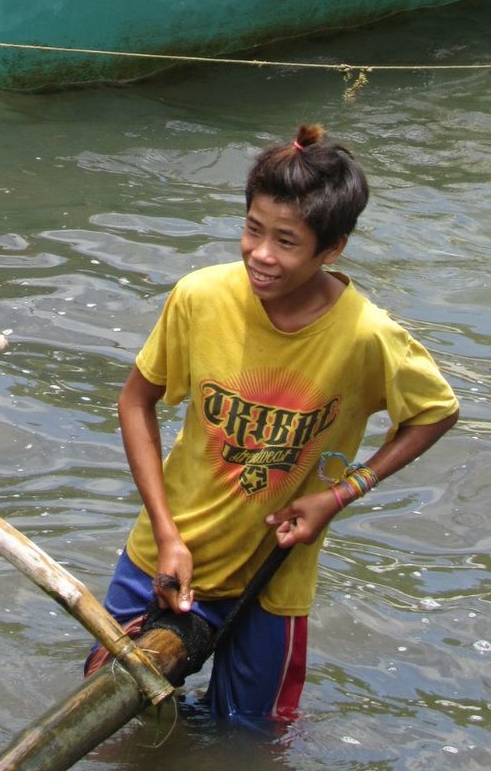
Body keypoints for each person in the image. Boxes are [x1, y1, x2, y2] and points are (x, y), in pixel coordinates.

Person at [87, 123, 459, 722]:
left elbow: (436, 413)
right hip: (165, 559)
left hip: (273, 582)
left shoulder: (367, 337)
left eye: (286, 241)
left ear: (331, 248)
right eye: (253, 230)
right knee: (112, 716)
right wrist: (166, 534)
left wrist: (341, 494)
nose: (261, 254)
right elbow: (136, 401)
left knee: (249, 738)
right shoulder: (200, 297)